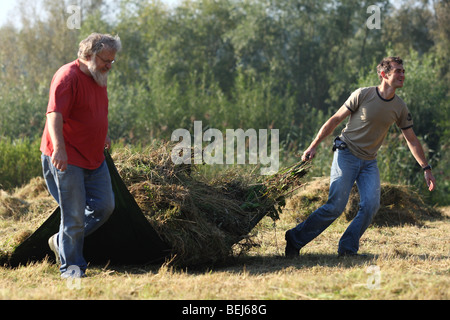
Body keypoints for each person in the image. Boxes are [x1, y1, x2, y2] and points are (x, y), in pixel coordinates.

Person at [285, 56, 436, 258]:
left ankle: (347, 248)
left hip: (369, 163)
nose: (402, 74)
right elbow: (335, 120)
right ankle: (295, 238)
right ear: (384, 74)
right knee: (336, 206)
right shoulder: (362, 95)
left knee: (372, 205)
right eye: (397, 71)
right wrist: (313, 146)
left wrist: (426, 168)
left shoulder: (399, 107)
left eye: (403, 71)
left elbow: (412, 140)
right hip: (346, 154)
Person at [40, 33, 122, 278]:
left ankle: (60, 240)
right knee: (74, 216)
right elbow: (54, 115)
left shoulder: (99, 77)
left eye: (112, 61)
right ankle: (72, 269)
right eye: (106, 60)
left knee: (105, 207)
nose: (109, 65)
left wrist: (102, 135)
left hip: (94, 155)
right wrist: (60, 149)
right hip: (67, 157)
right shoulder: (67, 77)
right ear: (88, 56)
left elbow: (94, 112)